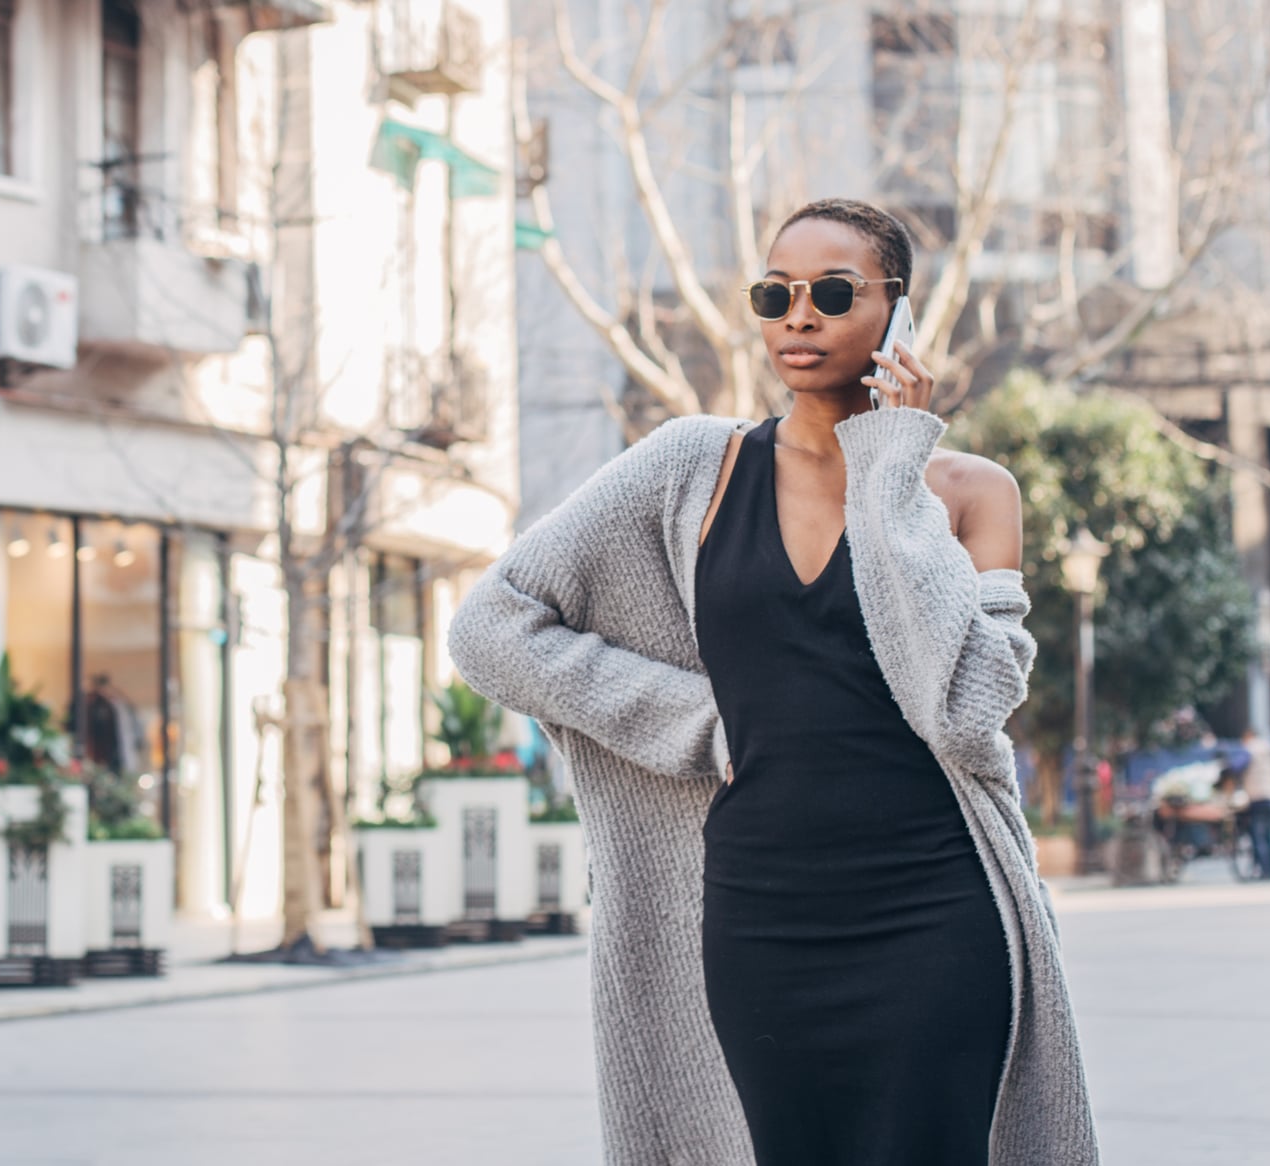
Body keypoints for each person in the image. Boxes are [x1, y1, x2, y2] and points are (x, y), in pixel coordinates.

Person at [448, 199, 1097, 1165]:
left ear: (898, 313)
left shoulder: (968, 493)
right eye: (775, 293)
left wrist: (890, 471)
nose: (799, 316)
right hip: (761, 912)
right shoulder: (688, 471)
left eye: (833, 293)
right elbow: (489, 627)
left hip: (936, 909)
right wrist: (693, 723)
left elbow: (965, 714)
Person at [1237, 727, 1270, 879]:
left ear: (1248, 736)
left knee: (1258, 835)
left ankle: (1264, 871)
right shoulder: (1269, 748)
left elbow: (1237, 766)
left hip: (1258, 797)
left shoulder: (1251, 748)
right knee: (1268, 835)